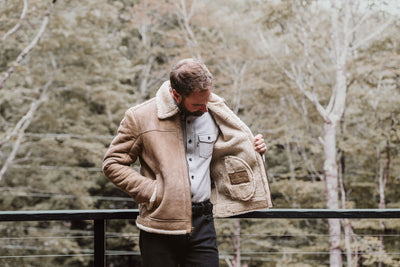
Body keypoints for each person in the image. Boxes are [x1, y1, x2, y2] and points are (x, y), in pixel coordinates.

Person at [103, 58, 273, 267]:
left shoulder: (216, 110)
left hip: (203, 224)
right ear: (176, 94)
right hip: (159, 227)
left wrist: (255, 149)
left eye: (207, 100)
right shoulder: (139, 117)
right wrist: (153, 192)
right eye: (197, 104)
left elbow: (230, 154)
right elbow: (112, 163)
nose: (204, 109)